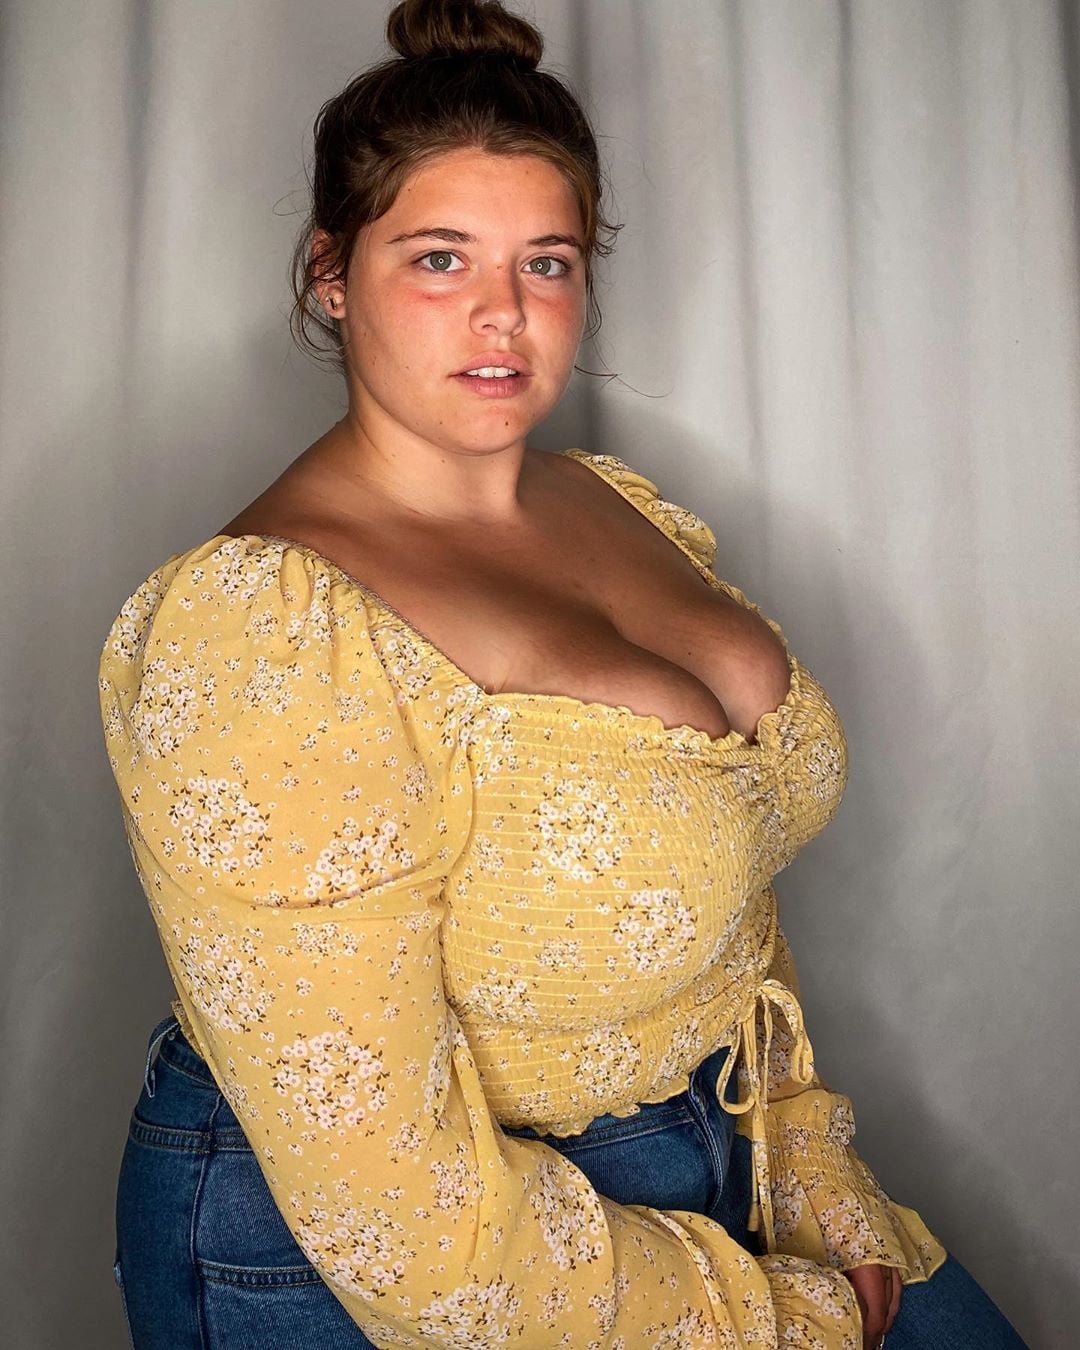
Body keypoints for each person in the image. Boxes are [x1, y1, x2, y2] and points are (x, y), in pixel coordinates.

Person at [98, 2, 1028, 1347]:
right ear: (330, 274)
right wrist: (785, 1316)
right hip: (346, 1257)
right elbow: (403, 1229)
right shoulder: (264, 631)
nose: (503, 312)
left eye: (547, 261)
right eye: (439, 258)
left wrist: (804, 1151)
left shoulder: (609, 502)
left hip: (708, 1147)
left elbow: (723, 866)